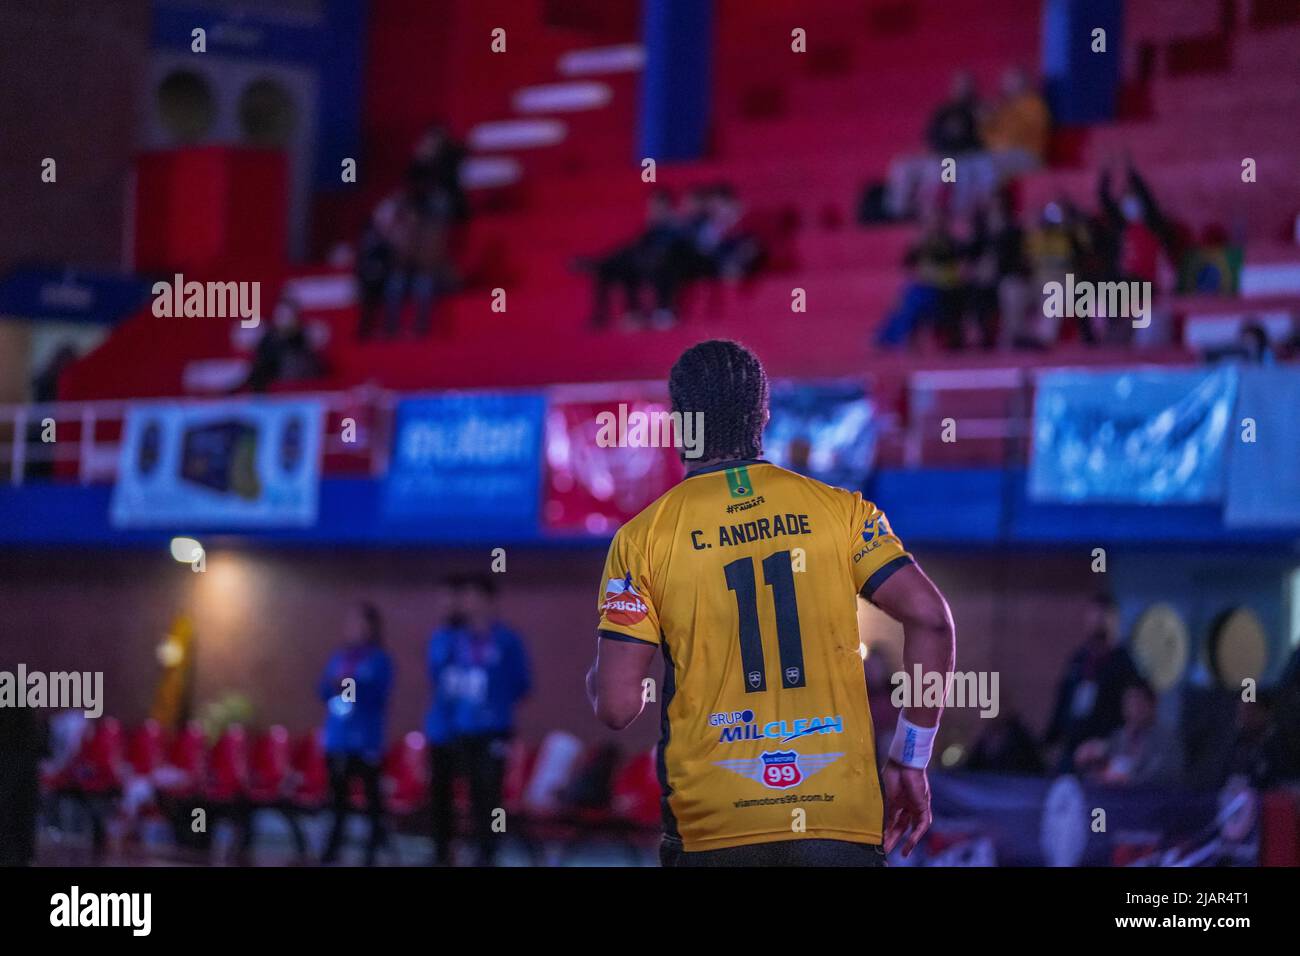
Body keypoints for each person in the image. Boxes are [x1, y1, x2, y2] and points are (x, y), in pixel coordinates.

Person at [586, 340, 956, 866]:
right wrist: (910, 759)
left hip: (715, 827)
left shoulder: (642, 539)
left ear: (678, 423)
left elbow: (618, 706)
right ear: (763, 415)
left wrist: (600, 676)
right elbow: (931, 620)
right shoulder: (843, 511)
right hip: (838, 822)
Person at [426, 574, 533, 866]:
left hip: (493, 732)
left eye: (474, 597)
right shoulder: (456, 640)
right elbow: (442, 680)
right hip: (461, 730)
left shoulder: (507, 640)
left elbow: (523, 684)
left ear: (489, 601)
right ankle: (446, 854)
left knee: (488, 798)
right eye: (465, 598)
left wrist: (494, 704)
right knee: (455, 796)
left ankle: (487, 855)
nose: (468, 604)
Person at [316, 601, 393, 865]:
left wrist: (348, 684)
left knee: (371, 799)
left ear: (371, 627)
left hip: (366, 740)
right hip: (339, 737)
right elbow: (323, 690)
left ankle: (371, 851)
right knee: (337, 799)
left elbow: (376, 694)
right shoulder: (339, 658)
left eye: (361, 623)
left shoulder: (379, 660)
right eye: (350, 623)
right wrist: (333, 685)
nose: (354, 628)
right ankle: (332, 849)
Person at [1044, 593, 1142, 773]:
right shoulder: (1078, 660)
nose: (1097, 622)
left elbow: (1131, 708)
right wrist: (1052, 739)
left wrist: (1111, 744)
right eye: (1093, 616)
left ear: (1113, 620)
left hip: (1105, 749)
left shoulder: (1124, 663)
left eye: (1102, 617)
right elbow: (1063, 700)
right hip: (1071, 749)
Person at [876, 212, 963, 348]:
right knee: (906, 296)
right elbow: (908, 265)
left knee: (912, 298)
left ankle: (892, 339)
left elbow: (958, 273)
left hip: (943, 291)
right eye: (927, 223)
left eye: (934, 222)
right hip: (923, 288)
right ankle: (891, 338)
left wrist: (934, 275)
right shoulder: (922, 244)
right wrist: (917, 246)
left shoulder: (950, 244)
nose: (930, 226)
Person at [1074, 682, 1182, 787]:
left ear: (1152, 706)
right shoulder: (1118, 736)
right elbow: (1103, 769)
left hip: (1146, 798)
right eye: (1129, 703)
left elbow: (1160, 776)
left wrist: (1127, 779)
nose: (1133, 710)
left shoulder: (1165, 739)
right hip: (1112, 795)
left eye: (1138, 704)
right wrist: (1090, 758)